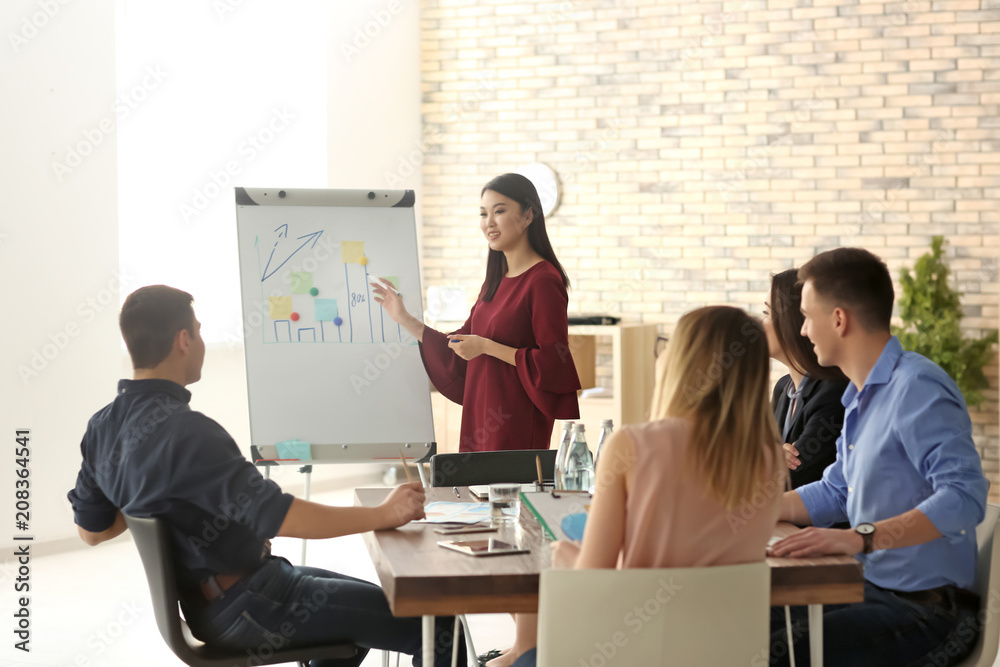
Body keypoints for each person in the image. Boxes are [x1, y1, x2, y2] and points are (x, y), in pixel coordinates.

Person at [67, 285, 464, 667]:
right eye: (200, 332)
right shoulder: (189, 432)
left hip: (223, 599)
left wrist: (141, 491)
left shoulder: (101, 426)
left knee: (359, 618)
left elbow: (93, 531)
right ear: (183, 340)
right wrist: (385, 513)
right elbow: (279, 516)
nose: (202, 343)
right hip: (249, 602)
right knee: (441, 628)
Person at [492, 306, 785, 667]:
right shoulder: (770, 460)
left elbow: (592, 582)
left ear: (683, 361)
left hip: (625, 652)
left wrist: (564, 555)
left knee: (516, 652)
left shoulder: (631, 445)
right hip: (720, 655)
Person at [767, 248, 989, 667]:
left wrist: (859, 536)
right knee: (743, 621)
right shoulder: (860, 397)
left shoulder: (916, 386)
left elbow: (964, 496)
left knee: (776, 655)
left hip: (925, 612)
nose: (802, 329)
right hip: (867, 587)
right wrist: (748, 512)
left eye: (806, 316)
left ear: (838, 319)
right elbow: (836, 490)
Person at [371, 173, 580, 453]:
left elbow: (553, 361)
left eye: (500, 211)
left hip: (516, 422)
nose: (488, 223)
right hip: (480, 417)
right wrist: (404, 318)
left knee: (508, 493)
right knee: (477, 494)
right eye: (483, 214)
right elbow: (460, 343)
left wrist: (487, 347)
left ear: (529, 215)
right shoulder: (494, 281)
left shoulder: (543, 280)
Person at [762, 268, 849, 488]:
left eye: (766, 313)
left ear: (792, 320)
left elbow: (787, 480)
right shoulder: (783, 388)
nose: (760, 324)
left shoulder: (835, 392)